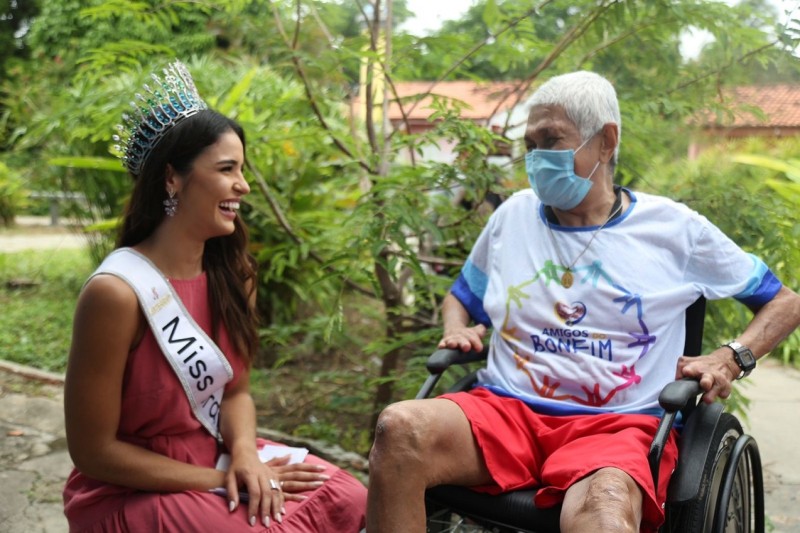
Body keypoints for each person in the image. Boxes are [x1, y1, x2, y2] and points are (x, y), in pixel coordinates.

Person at [366, 70, 800, 533]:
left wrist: (728, 359)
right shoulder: (511, 216)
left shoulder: (675, 229)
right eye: (530, 145)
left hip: (617, 426)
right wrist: (456, 327)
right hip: (504, 411)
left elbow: (785, 303)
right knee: (399, 430)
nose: (536, 158)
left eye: (551, 140)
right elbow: (461, 296)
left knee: (604, 511)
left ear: (606, 141)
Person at [62, 60, 367, 532]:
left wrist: (246, 454)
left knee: (348, 497)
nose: (243, 186)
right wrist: (221, 477)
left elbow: (237, 391)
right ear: (172, 179)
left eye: (241, 170)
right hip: (134, 486)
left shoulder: (234, 273)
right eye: (227, 169)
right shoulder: (116, 294)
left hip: (221, 454)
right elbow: (93, 452)